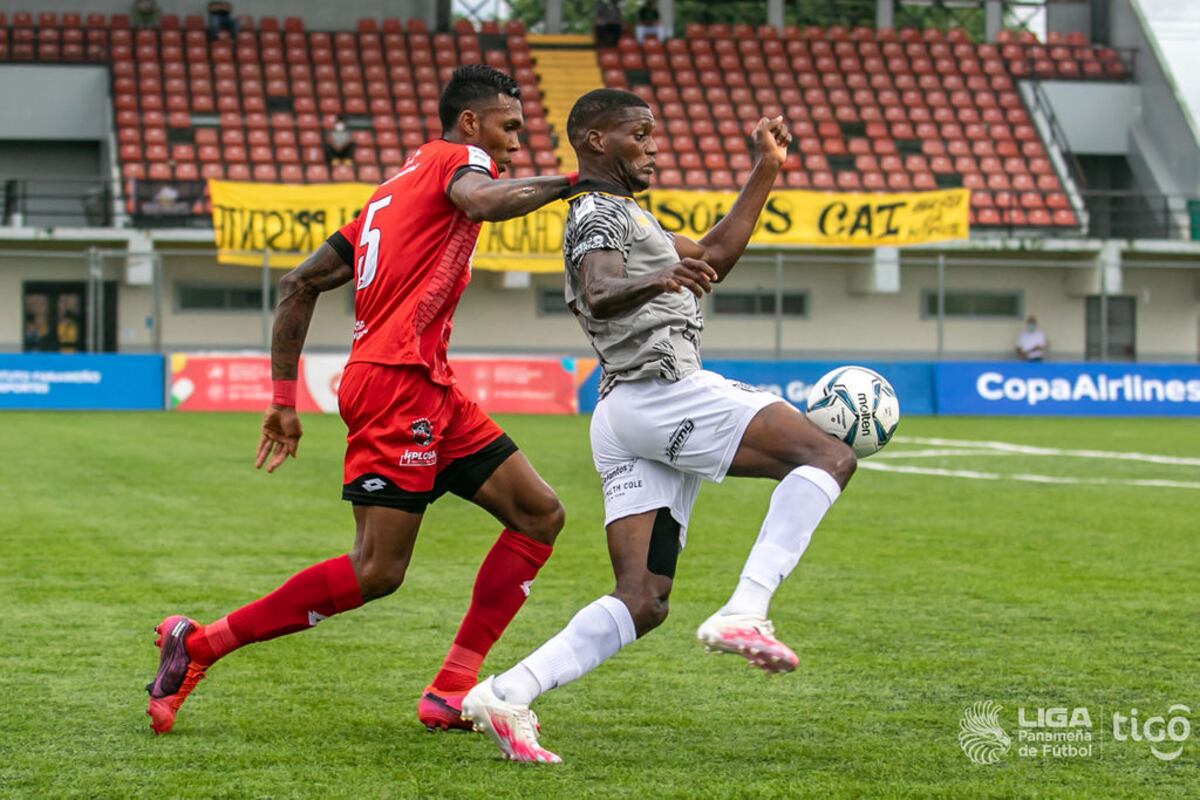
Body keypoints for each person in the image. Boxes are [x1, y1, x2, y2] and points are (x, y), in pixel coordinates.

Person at [145, 65, 581, 736]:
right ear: (471, 123)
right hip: (395, 381)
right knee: (377, 570)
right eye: (510, 127)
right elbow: (484, 202)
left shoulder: (391, 193)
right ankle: (199, 644)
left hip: (426, 382)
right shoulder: (461, 162)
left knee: (538, 514)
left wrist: (283, 398)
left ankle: (450, 688)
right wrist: (578, 183)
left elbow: (298, 282)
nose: (516, 143)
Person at [461, 89, 857, 763]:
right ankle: (746, 609)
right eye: (639, 133)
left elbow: (712, 258)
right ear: (595, 142)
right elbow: (599, 289)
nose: (653, 144)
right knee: (827, 456)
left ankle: (507, 692)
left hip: (625, 413)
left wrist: (765, 170)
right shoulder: (593, 214)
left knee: (643, 599)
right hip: (661, 390)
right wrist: (660, 280)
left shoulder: (628, 214)